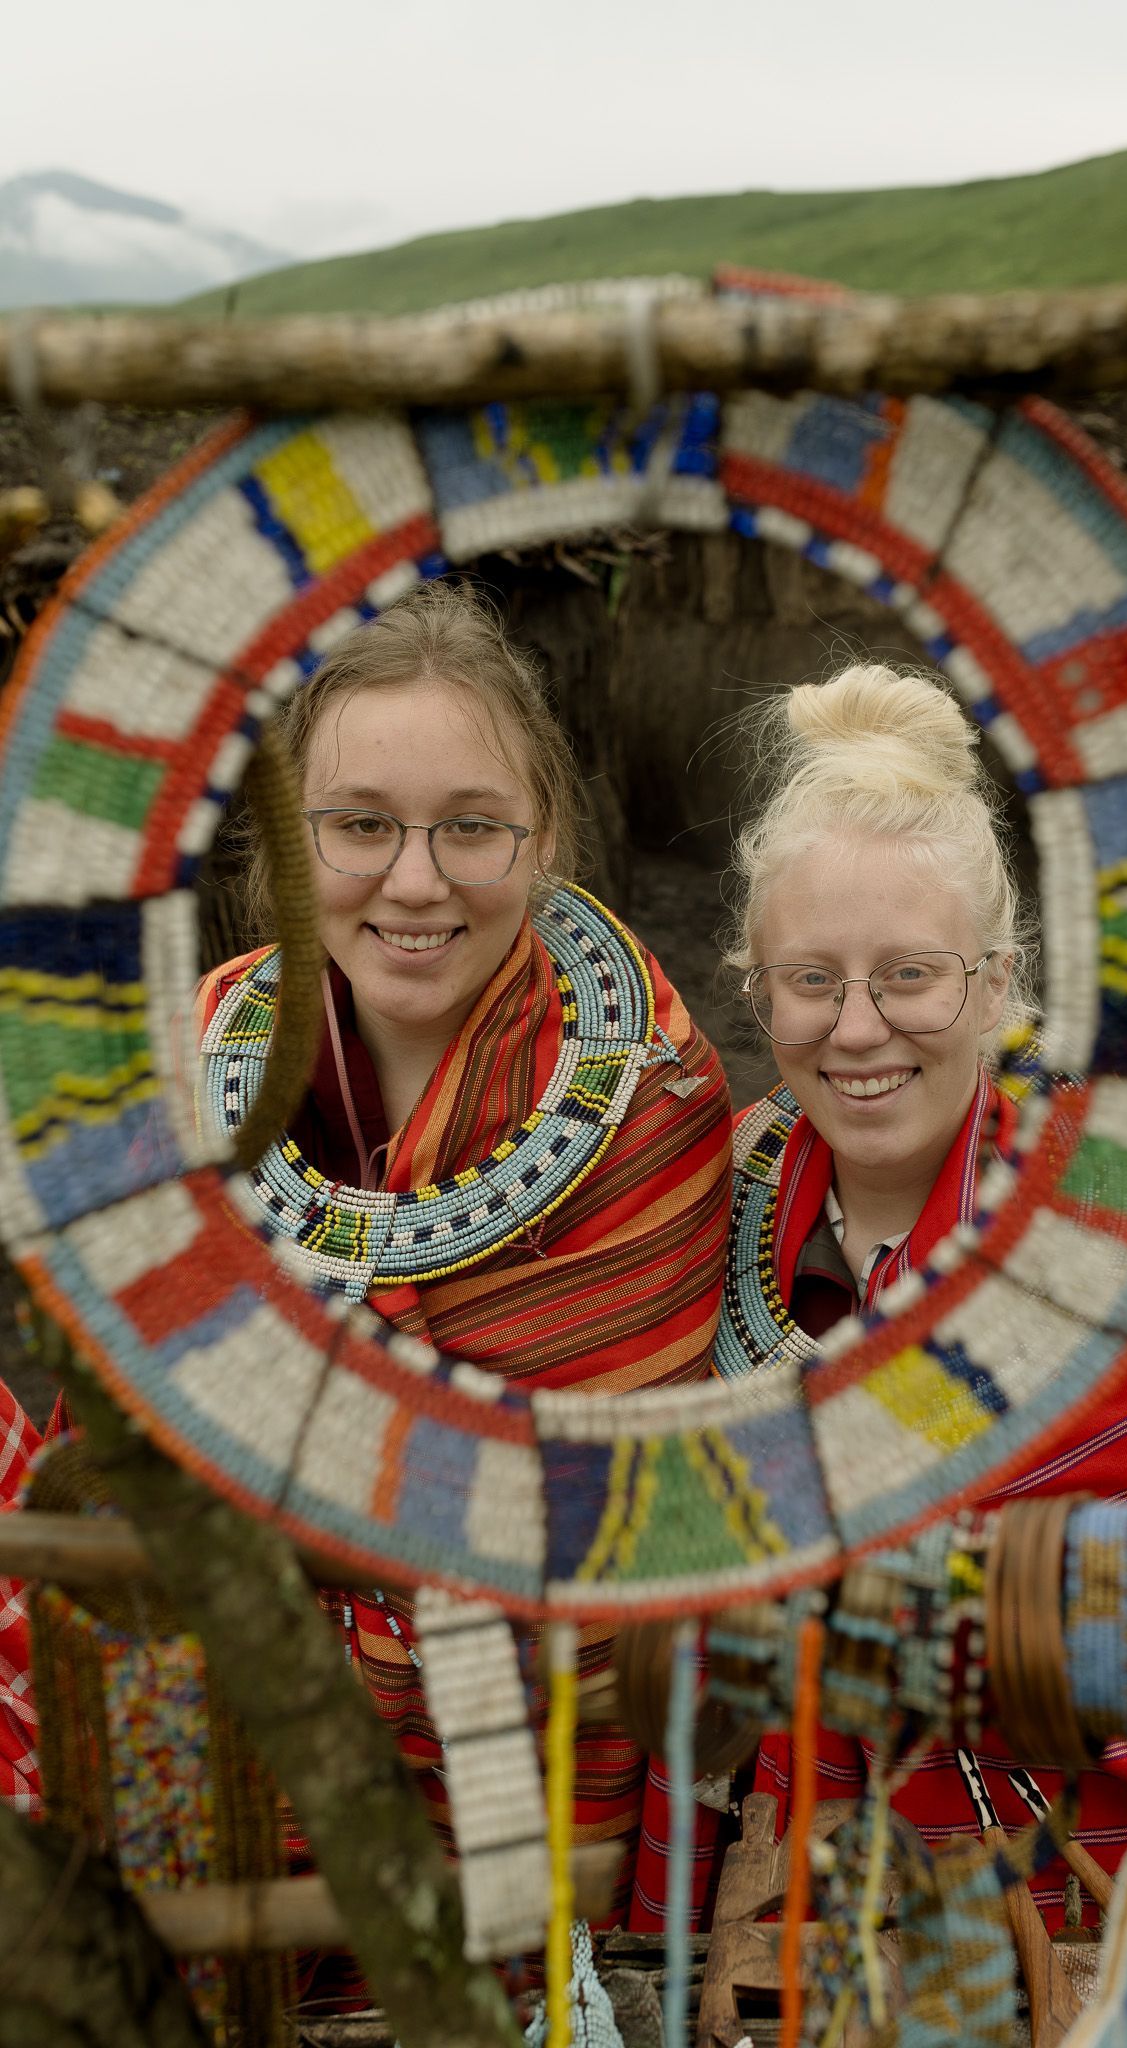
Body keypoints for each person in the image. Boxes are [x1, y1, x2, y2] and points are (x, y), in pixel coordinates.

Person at [628, 660, 1127, 1934]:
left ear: (994, 984)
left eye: (912, 976)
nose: (858, 1027)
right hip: (802, 1892)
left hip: (1104, 1900)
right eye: (810, 979)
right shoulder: (729, 1201)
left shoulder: (1117, 1236)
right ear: (755, 986)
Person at [190, 579, 731, 1923]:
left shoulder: (645, 1092)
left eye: (471, 829)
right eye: (360, 827)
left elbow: (616, 1525)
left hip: (561, 1777)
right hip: (259, 1756)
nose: (417, 881)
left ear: (545, 836)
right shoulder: (198, 1058)